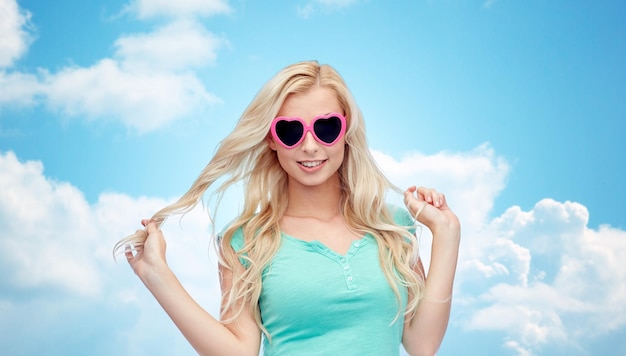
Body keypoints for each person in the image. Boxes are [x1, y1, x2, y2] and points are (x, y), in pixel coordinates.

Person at [114, 61, 460, 356]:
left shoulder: (393, 227)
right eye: (290, 131)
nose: (310, 146)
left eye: (326, 128)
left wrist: (446, 235)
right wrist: (157, 276)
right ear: (271, 139)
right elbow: (238, 352)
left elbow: (422, 344)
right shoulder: (246, 241)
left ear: (346, 130)